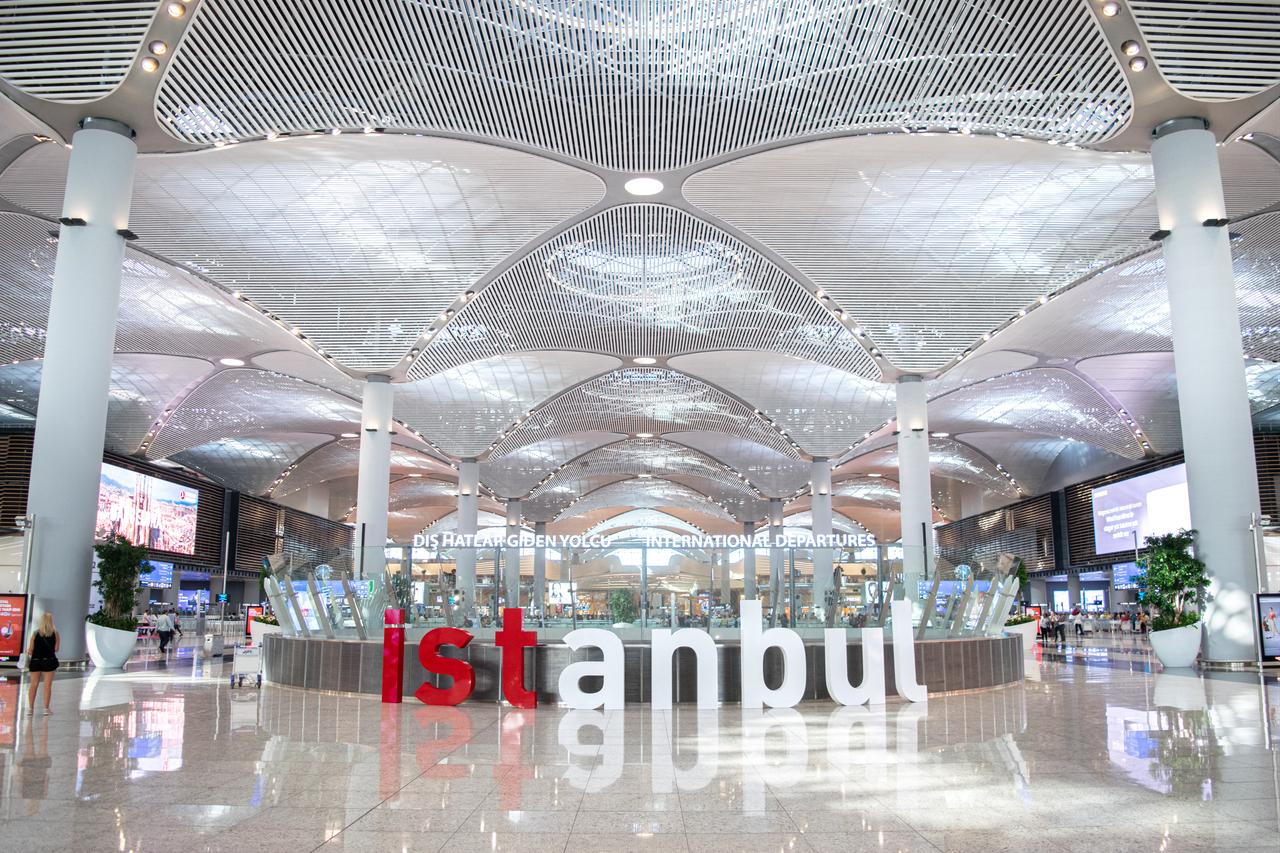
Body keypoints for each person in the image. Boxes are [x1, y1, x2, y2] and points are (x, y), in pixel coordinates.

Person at [25, 612, 59, 715]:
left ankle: (30, 709)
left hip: (36, 661)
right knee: (47, 686)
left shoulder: (35, 634)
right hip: (49, 661)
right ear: (50, 621)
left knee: (33, 685)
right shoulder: (55, 633)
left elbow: (30, 650)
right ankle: (45, 709)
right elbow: (56, 649)